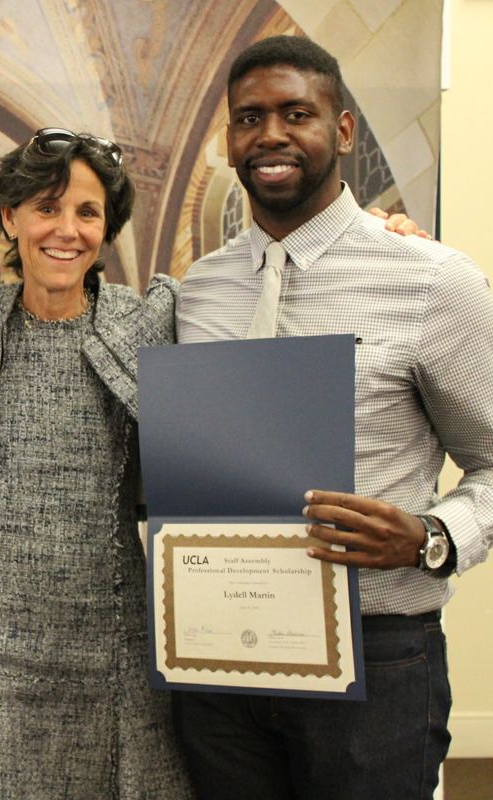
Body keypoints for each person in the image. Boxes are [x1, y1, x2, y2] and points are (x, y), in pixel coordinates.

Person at [174, 35, 493, 799]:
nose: (271, 135)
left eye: (297, 113)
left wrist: (433, 537)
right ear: (229, 140)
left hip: (376, 660)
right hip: (220, 666)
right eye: (249, 118)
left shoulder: (433, 282)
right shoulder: (196, 291)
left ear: (343, 130)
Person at [0, 128, 193, 798]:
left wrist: (375, 236)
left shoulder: (143, 323)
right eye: (47, 208)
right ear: (10, 217)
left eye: (87, 212)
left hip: (111, 642)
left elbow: (247, 321)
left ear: (106, 229)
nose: (66, 230)